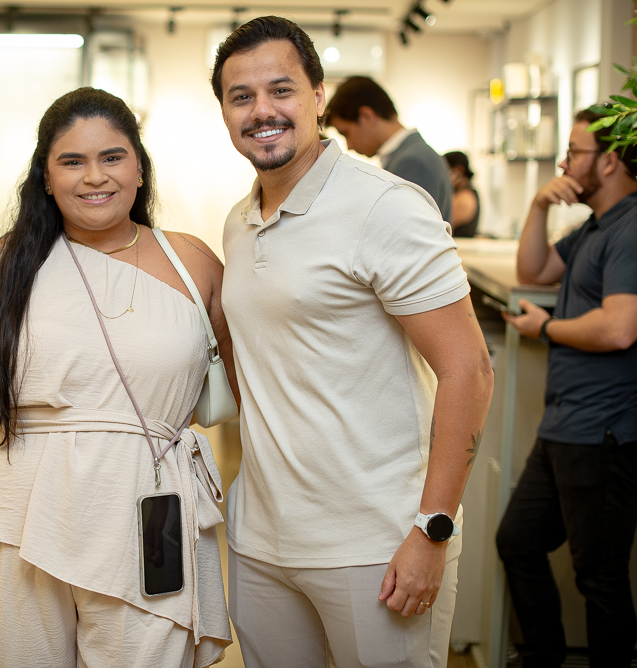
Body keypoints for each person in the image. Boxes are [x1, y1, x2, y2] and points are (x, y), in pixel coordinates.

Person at [210, 16, 494, 668]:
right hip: (263, 539)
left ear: (318, 97)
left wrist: (431, 530)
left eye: (281, 89)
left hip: (377, 543)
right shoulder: (239, 221)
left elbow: (470, 371)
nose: (262, 111)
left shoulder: (385, 206)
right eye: (241, 96)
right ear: (224, 112)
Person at [0, 87, 235, 667]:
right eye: (72, 161)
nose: (95, 176)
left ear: (139, 168)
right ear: (46, 178)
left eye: (112, 157)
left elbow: (250, 386)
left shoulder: (193, 264)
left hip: (150, 510)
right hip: (17, 513)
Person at [496, 109, 637, 668]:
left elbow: (620, 328)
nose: (564, 163)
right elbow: (534, 270)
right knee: (518, 541)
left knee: (600, 578)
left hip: (607, 430)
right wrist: (539, 205)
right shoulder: (595, 226)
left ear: (609, 161)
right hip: (570, 424)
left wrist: (547, 328)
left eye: (574, 152)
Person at [325, 75, 454, 222]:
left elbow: (406, 229)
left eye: (346, 133)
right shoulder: (411, 155)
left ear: (367, 116)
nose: (349, 146)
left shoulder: (412, 162)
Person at [444, 151, 480, 237]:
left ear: (459, 170)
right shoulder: (464, 194)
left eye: (446, 170)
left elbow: (440, 224)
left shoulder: (465, 197)